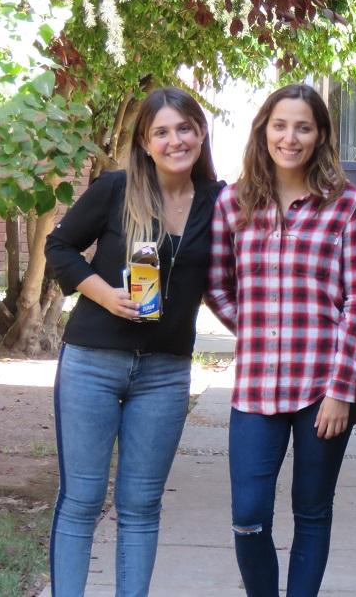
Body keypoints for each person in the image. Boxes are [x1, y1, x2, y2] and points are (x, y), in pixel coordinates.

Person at [45, 86, 224, 596]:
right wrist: (104, 294)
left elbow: (233, 276)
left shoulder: (218, 202)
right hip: (92, 363)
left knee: (142, 506)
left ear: (201, 132)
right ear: (145, 142)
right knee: (80, 499)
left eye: (184, 128)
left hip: (165, 374)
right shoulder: (116, 189)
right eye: (161, 132)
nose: (175, 141)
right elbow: (60, 246)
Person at [205, 83, 356, 597]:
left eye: (303, 126)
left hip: (324, 390)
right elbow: (217, 285)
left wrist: (342, 389)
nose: (290, 137)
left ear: (321, 134)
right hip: (256, 389)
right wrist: (258, 330)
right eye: (280, 125)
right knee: (248, 516)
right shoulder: (233, 202)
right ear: (264, 130)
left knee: (312, 512)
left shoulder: (347, 204)